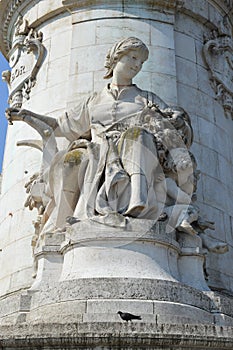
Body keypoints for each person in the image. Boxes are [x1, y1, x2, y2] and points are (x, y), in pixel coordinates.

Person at [6, 37, 192, 234]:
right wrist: (28, 116)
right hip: (98, 152)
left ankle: (139, 201)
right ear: (115, 58)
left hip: (136, 148)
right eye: (133, 58)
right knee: (71, 161)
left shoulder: (147, 98)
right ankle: (60, 226)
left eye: (141, 62)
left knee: (137, 136)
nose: (137, 65)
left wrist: (179, 121)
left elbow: (175, 127)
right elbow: (61, 126)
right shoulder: (94, 101)